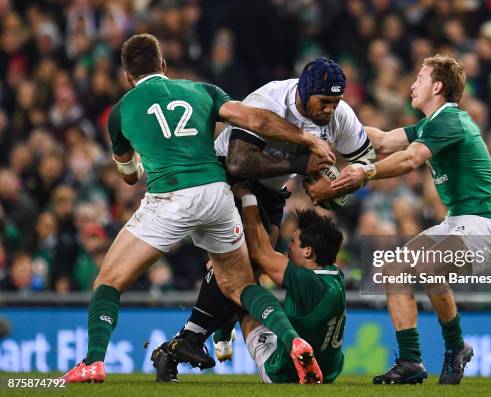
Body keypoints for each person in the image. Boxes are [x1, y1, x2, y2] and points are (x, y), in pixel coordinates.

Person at [61, 33, 335, 384]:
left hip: (170, 198)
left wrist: (141, 161)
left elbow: (128, 175)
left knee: (109, 282)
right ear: (163, 65)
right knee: (240, 285)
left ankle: (93, 362)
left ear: (127, 75)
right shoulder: (202, 90)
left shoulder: (120, 111)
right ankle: (293, 340)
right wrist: (305, 138)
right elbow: (253, 119)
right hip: (217, 193)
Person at [151, 57, 375, 381]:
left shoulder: (339, 115)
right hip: (226, 175)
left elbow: (365, 158)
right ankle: (194, 338)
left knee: (254, 269)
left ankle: (185, 342)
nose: (330, 109)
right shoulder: (267, 101)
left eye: (336, 102)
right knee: (243, 264)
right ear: (305, 90)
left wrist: (349, 179)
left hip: (272, 189)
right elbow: (240, 162)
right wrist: (301, 164)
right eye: (324, 102)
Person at [331, 54, 491, 385]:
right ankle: (424, 358)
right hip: (459, 221)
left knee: (423, 268)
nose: (412, 84)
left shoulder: (450, 120)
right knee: (394, 271)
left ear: (438, 86)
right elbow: (383, 141)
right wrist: (335, 128)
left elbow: (411, 159)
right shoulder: (432, 123)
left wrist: (365, 172)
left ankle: (442, 351)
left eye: (420, 78)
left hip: (486, 225)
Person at [232, 184, 346, 383]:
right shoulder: (336, 276)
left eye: (292, 242)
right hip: (329, 371)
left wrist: (248, 198)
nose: (287, 247)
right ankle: (223, 335)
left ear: (308, 251)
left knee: (241, 287)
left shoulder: (307, 282)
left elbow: (260, 252)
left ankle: (221, 335)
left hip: (286, 373)